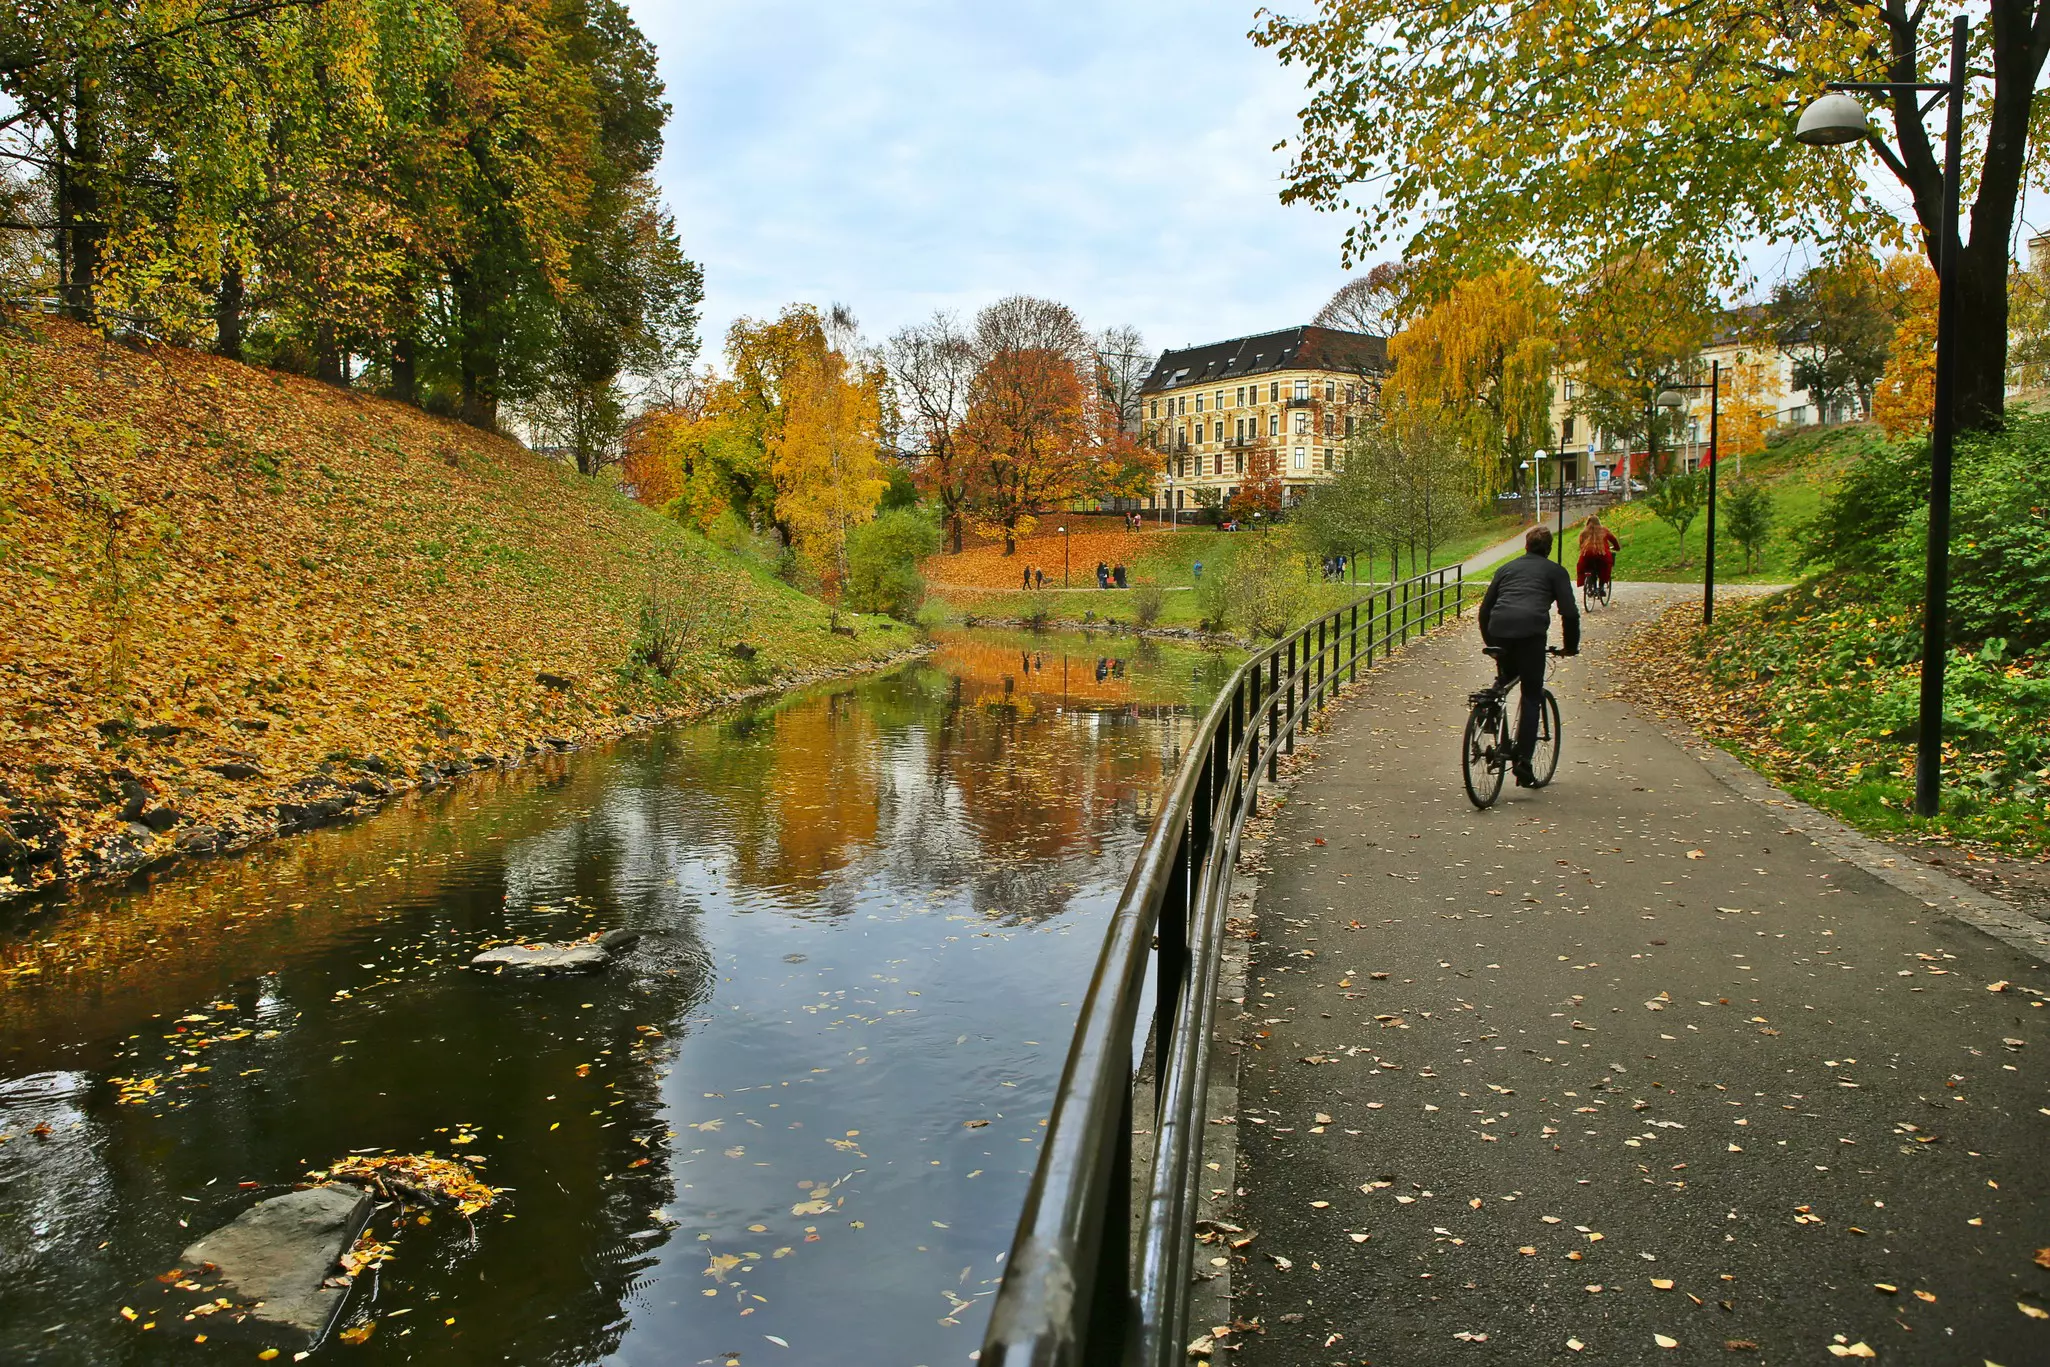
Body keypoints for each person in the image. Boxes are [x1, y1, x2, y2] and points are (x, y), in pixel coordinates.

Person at [1477, 526, 1580, 787]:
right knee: (1532, 694)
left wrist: (1492, 644)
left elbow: (1485, 609)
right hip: (1531, 635)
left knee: (1507, 675)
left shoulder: (1506, 569)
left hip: (1499, 630)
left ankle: (1488, 708)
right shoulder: (1555, 572)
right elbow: (1569, 612)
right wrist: (1570, 646)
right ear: (1548, 549)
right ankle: (1523, 761)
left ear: (1525, 546)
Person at [1576, 515, 1619, 594]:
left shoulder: (1584, 532)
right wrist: (1617, 547)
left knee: (1587, 567)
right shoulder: (1604, 530)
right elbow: (1613, 539)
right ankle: (1601, 587)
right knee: (1604, 568)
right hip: (1601, 554)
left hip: (1587, 555)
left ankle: (1589, 586)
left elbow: (1581, 544)